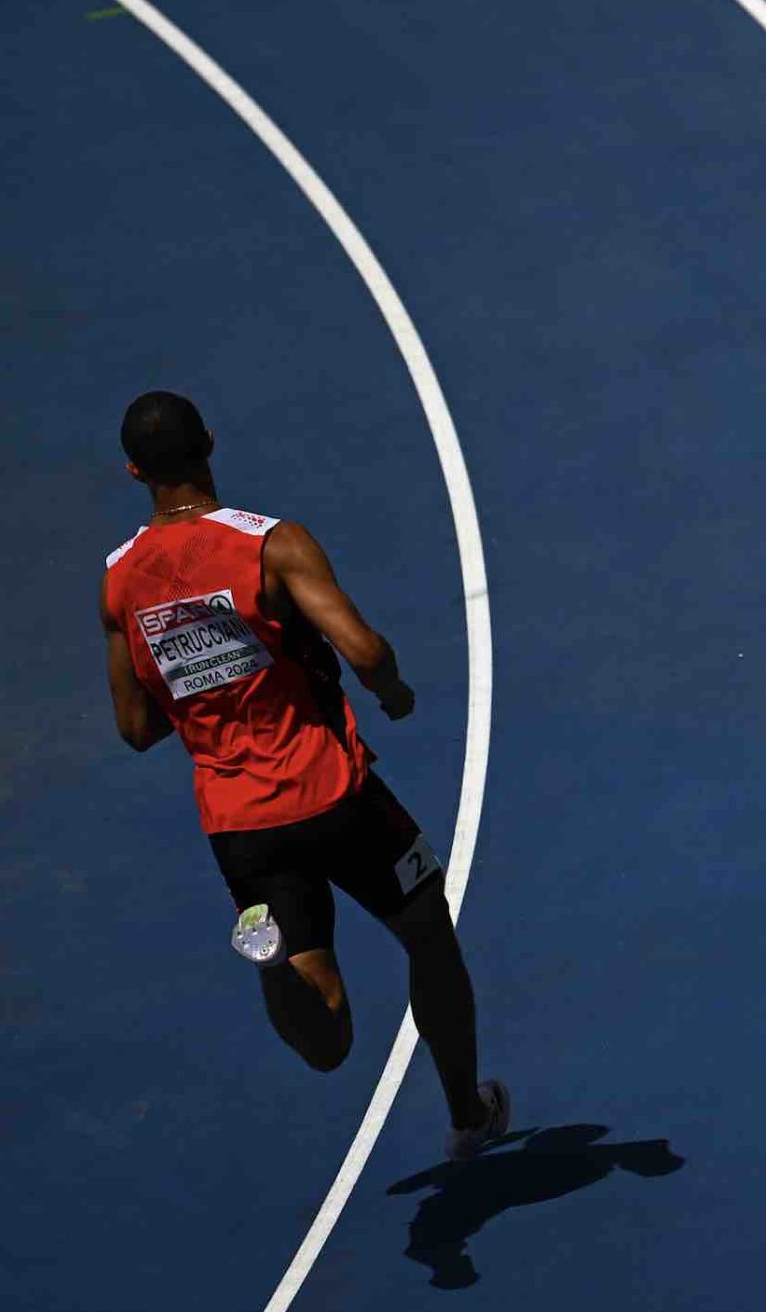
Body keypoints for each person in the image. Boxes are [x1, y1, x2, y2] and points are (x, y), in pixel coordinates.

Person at [98, 392, 507, 1160]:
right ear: (210, 442)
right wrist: (393, 694)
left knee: (329, 1037)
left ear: (134, 472)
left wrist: (197, 679)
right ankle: (466, 1113)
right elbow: (364, 649)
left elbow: (135, 728)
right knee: (428, 935)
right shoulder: (270, 545)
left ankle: (275, 969)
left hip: (241, 829)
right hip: (335, 794)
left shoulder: (120, 582)